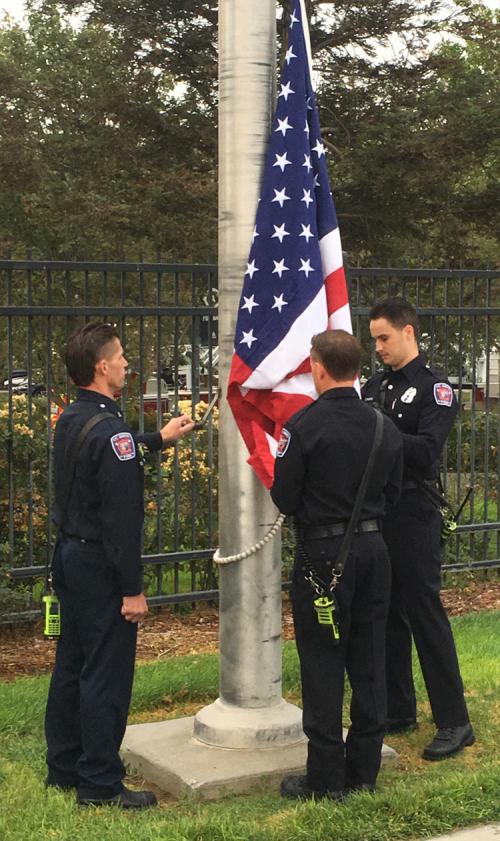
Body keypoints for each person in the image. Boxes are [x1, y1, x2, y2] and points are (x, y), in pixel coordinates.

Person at [45, 322, 195, 808]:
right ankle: (100, 782)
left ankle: (64, 766)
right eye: (121, 356)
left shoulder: (74, 417)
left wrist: (157, 439)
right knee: (105, 674)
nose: (127, 364)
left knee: (72, 664)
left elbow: (108, 451)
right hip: (100, 564)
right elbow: (122, 521)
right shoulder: (111, 432)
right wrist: (132, 589)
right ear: (101, 366)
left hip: (70, 556)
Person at [271, 329, 403, 800]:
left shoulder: (303, 427)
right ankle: (364, 770)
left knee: (323, 661)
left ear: (318, 368)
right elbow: (393, 492)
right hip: (373, 552)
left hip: (322, 558)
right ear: (357, 369)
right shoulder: (384, 426)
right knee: (370, 658)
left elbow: (285, 497)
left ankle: (325, 778)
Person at [362, 298, 474, 760]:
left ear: (409, 332)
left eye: (384, 338)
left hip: (414, 509)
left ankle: (455, 720)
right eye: (373, 340)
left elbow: (427, 451)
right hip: (379, 509)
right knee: (387, 610)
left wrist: (377, 430)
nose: (378, 347)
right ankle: (399, 707)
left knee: (424, 611)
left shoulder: (434, 388)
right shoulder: (374, 386)